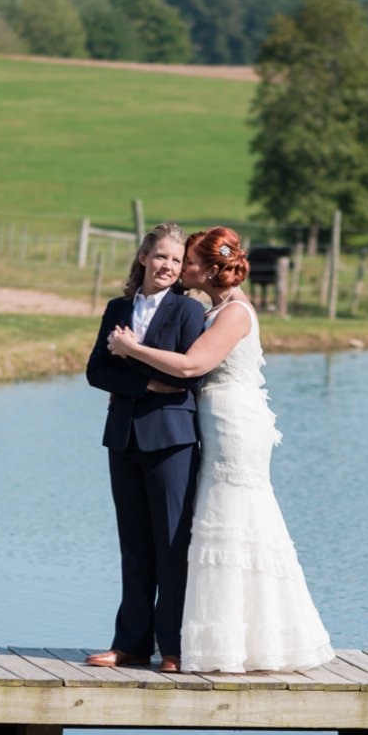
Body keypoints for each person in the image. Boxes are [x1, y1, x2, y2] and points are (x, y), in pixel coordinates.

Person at [107, 226, 333, 673]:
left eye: (188, 261)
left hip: (233, 425)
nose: (181, 268)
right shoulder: (215, 308)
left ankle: (256, 641)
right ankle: (215, 641)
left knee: (236, 523)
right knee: (212, 529)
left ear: (211, 269)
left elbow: (194, 364)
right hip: (211, 422)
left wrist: (131, 350)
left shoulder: (234, 314)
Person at [85, 222, 206, 671]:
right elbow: (96, 371)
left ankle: (172, 647)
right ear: (143, 258)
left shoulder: (187, 312)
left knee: (172, 546)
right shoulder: (118, 307)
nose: (168, 267)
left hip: (172, 441)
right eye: (161, 257)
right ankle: (130, 645)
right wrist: (147, 383)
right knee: (134, 545)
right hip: (123, 437)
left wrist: (130, 354)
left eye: (176, 260)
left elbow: (184, 377)